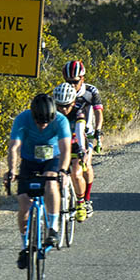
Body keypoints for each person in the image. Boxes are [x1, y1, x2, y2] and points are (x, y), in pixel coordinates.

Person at [5, 93, 71, 269]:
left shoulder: (61, 120)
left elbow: (65, 149)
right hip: (29, 160)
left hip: (52, 158)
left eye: (47, 122)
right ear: (33, 116)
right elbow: (14, 147)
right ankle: (25, 246)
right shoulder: (22, 119)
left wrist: (63, 171)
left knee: (51, 183)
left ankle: (53, 227)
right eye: (39, 122)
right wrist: (11, 170)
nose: (43, 126)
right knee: (24, 205)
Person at [62, 60, 102, 216]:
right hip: (67, 134)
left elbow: (99, 112)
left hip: (87, 132)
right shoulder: (63, 91)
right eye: (68, 81)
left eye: (75, 82)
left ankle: (86, 199)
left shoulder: (91, 91)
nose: (72, 85)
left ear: (82, 79)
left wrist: (98, 132)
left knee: (85, 166)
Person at [53, 81, 91, 222]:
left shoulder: (78, 112)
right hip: (59, 145)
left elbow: (80, 133)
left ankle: (81, 203)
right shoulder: (51, 112)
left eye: (66, 105)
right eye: (59, 106)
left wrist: (82, 149)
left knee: (76, 173)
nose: (63, 109)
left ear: (73, 102)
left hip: (76, 145)